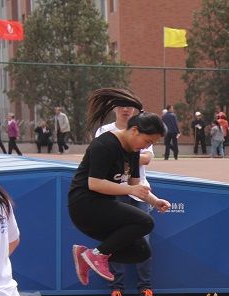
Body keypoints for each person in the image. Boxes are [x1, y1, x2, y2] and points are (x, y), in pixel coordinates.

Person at [68, 88, 171, 284]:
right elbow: (95, 183)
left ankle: (87, 255)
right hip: (84, 206)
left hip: (103, 206)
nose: (146, 146)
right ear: (134, 130)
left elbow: (135, 184)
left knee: (140, 251)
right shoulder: (105, 144)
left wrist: (155, 201)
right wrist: (130, 190)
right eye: (147, 141)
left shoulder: (132, 149)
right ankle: (97, 255)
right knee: (145, 222)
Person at [94, 105, 159, 296]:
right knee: (115, 241)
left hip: (139, 191)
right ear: (114, 108)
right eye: (121, 106)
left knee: (143, 241)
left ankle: (145, 288)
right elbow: (100, 158)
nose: (125, 110)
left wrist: (122, 153)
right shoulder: (104, 131)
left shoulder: (143, 127)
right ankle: (116, 289)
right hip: (114, 192)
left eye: (129, 106)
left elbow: (147, 158)